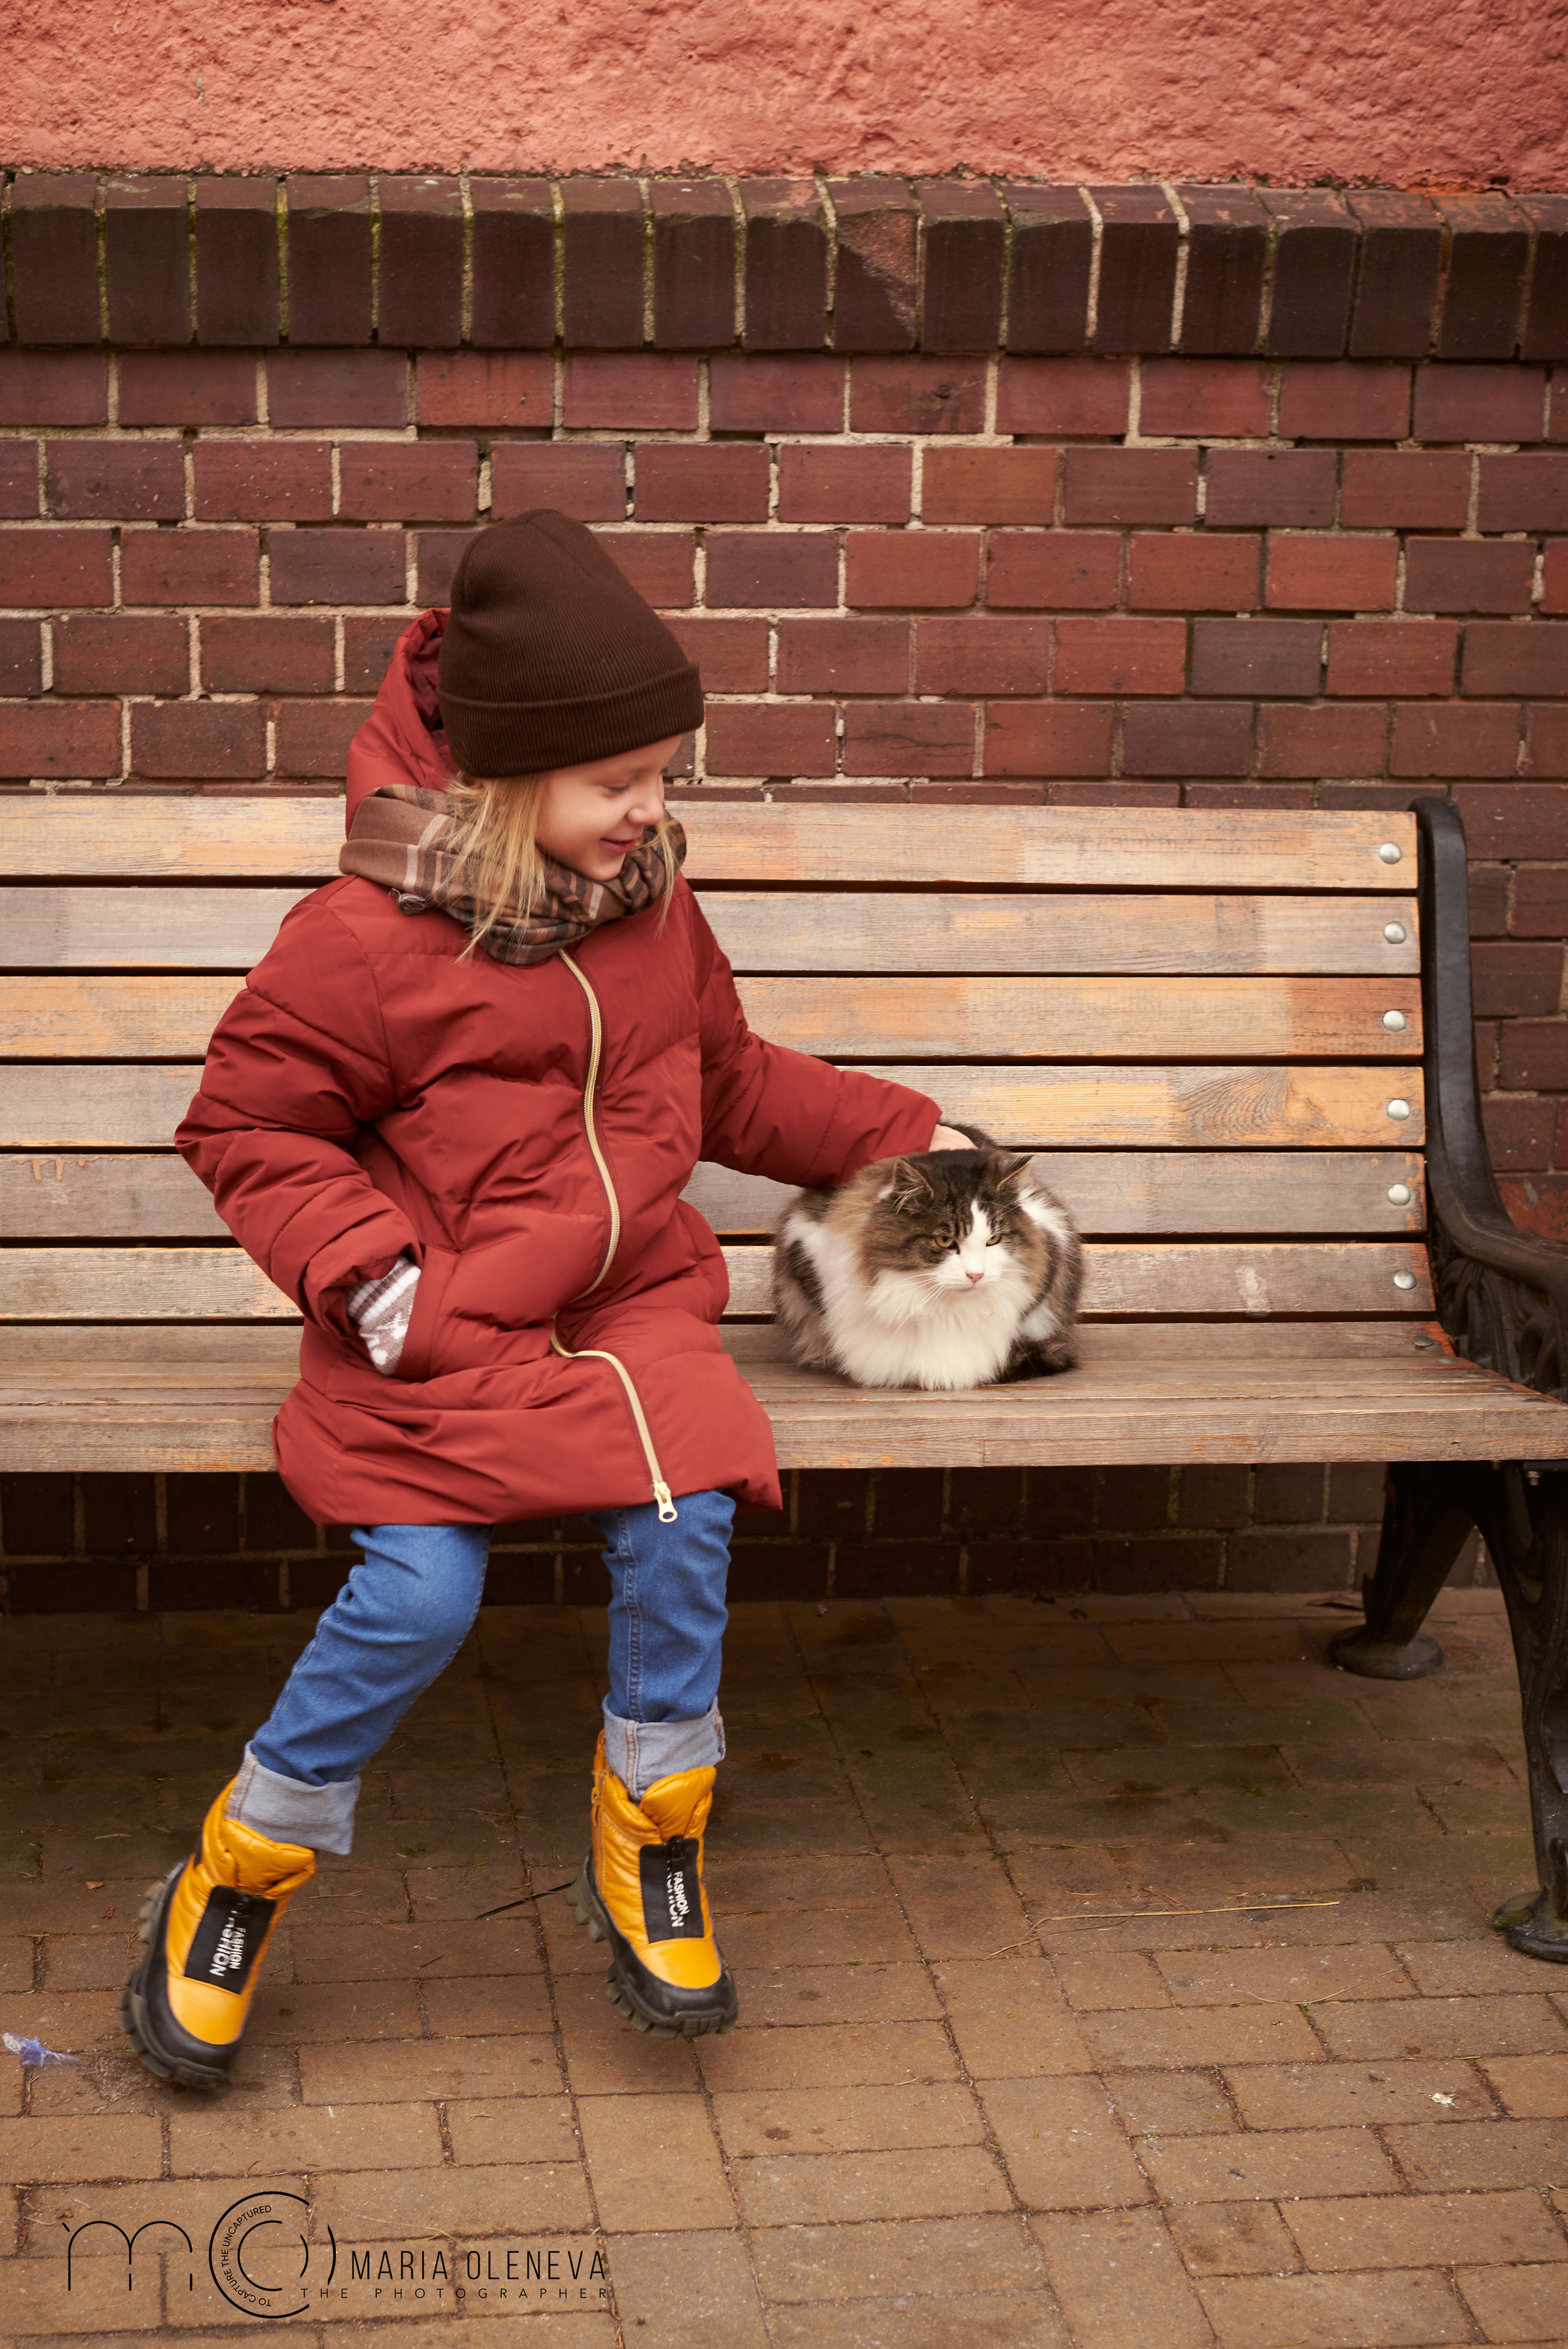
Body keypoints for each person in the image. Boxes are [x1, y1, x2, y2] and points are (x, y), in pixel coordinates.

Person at [121, 510, 974, 2087]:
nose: (652, 812)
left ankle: (655, 1838)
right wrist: (378, 1286)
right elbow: (243, 1123)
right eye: (619, 782)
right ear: (507, 782)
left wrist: (912, 1136)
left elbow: (726, 1084)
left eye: (663, 775)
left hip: (627, 1316)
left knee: (682, 1518)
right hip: (434, 1329)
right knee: (422, 1597)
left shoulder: (649, 907)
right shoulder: (359, 943)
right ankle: (243, 1862)